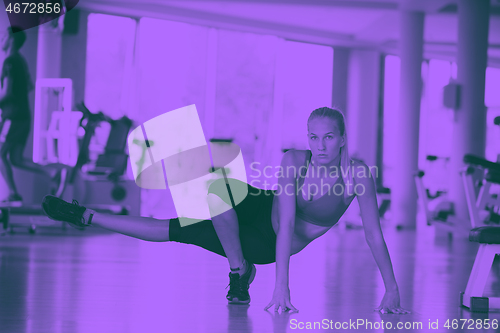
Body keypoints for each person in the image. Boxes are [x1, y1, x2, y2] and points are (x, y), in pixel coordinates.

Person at [41, 107, 410, 314]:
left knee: (177, 229)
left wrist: (391, 288)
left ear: (343, 138)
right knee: (216, 186)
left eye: (329, 137)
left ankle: (90, 217)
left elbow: (372, 234)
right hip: (263, 207)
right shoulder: (295, 160)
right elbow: (281, 215)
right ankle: (239, 269)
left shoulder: (357, 175)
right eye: (314, 136)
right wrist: (282, 287)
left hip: (267, 242)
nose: (321, 144)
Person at [0, 26, 65, 206]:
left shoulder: (9, 62)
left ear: (11, 39)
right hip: (23, 116)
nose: (1, 39)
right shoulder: (20, 60)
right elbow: (28, 85)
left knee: (0, 154)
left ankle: (13, 194)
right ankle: (51, 173)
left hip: (13, 117)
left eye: (4, 35)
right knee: (16, 159)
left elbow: (7, 93)